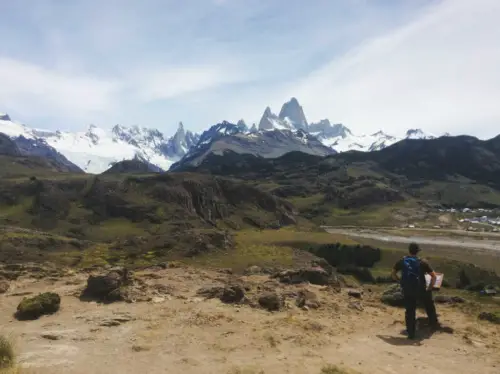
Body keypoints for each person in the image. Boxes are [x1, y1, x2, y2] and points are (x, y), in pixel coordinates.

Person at [391, 242, 440, 339]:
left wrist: (399, 281)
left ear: (409, 251)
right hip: (421, 289)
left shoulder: (402, 261)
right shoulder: (423, 262)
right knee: (429, 304)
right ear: (417, 252)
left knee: (410, 311)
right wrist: (430, 287)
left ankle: (411, 333)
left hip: (408, 289)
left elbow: (393, 273)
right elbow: (434, 277)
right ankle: (433, 324)